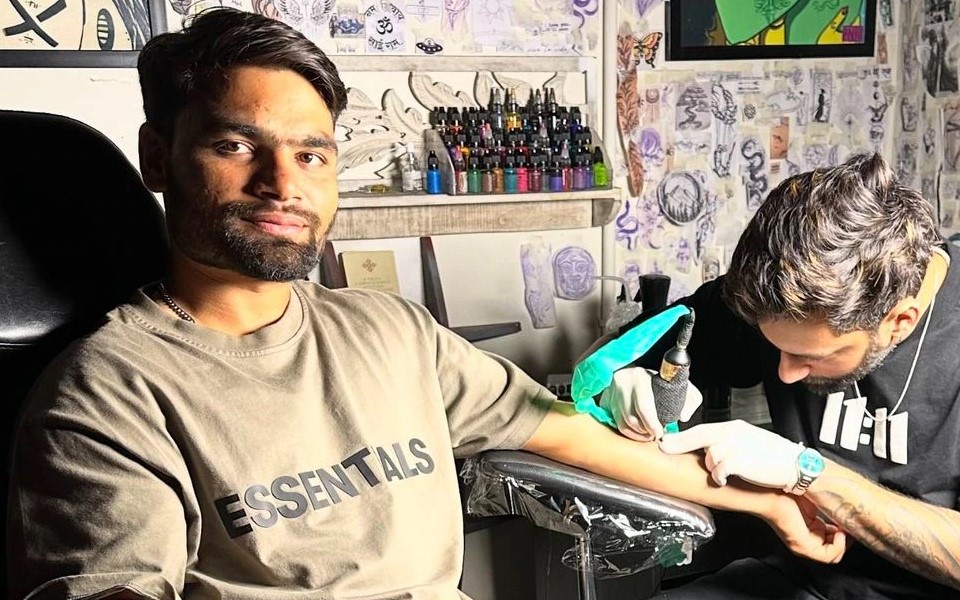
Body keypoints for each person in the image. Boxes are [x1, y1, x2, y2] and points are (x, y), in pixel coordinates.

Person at [5, 8, 842, 599]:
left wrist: (768, 501)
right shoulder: (106, 394)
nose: (282, 184)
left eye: (312, 155)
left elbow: (565, 433)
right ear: (158, 158)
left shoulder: (391, 331)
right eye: (235, 145)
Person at [600, 153, 960, 599]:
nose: (785, 374)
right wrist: (623, 377)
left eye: (809, 357)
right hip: (800, 578)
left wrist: (807, 472)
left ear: (899, 322)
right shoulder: (777, 298)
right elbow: (614, 357)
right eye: (776, 347)